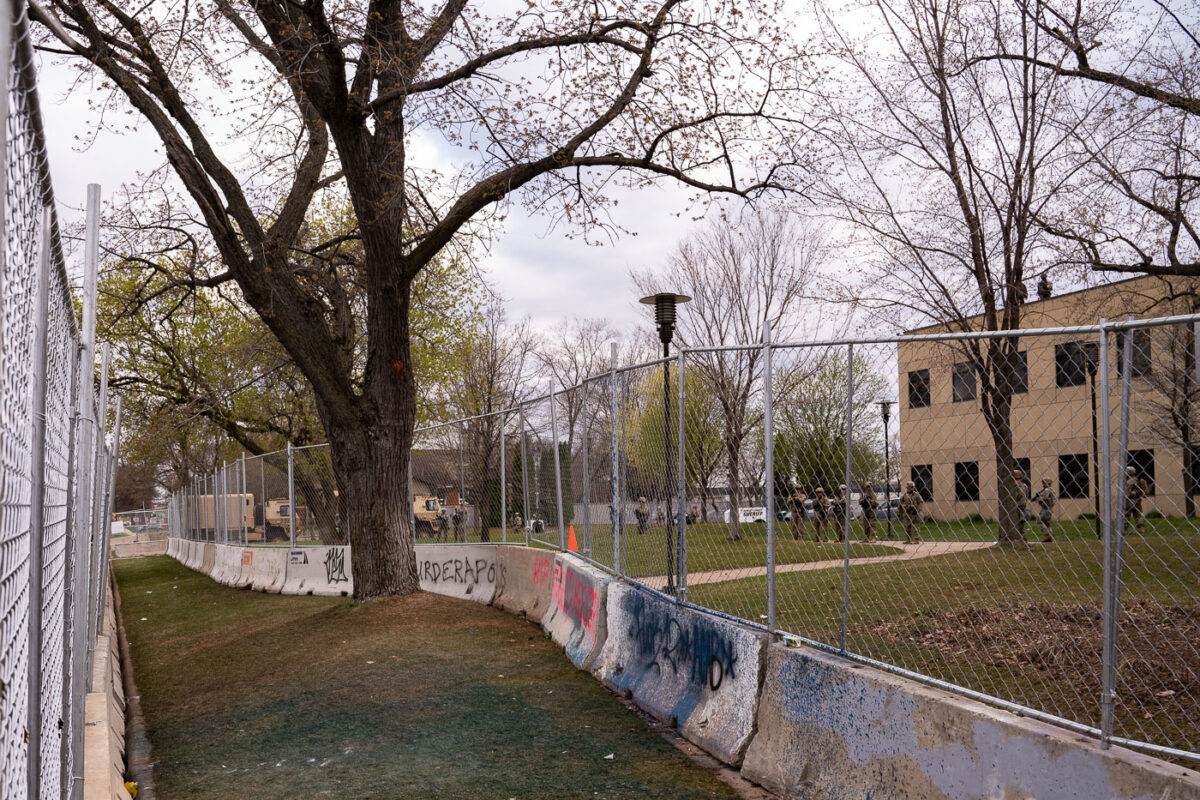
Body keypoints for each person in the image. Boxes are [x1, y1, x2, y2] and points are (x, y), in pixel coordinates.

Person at [1124, 466, 1149, 535]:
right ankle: (1141, 529)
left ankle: (1125, 530)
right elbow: (1145, 492)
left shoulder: (1127, 481)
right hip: (1137, 500)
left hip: (1128, 500)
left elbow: (1126, 492)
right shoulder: (1139, 480)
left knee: (1126, 515)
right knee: (1138, 515)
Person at [1032, 478, 1056, 542]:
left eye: (1044, 483)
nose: (1042, 484)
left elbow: (1044, 498)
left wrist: (1038, 497)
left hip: (1046, 509)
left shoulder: (1047, 490)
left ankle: (1047, 535)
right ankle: (1049, 537)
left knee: (1039, 520)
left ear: (1047, 483)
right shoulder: (1050, 490)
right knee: (1047, 524)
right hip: (1049, 509)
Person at [1013, 469, 1031, 541]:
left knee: (1020, 527)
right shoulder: (1023, 486)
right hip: (1018, 508)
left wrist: (1016, 487)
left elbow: (1019, 496)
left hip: (1020, 508)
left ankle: (1023, 540)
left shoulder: (1020, 486)